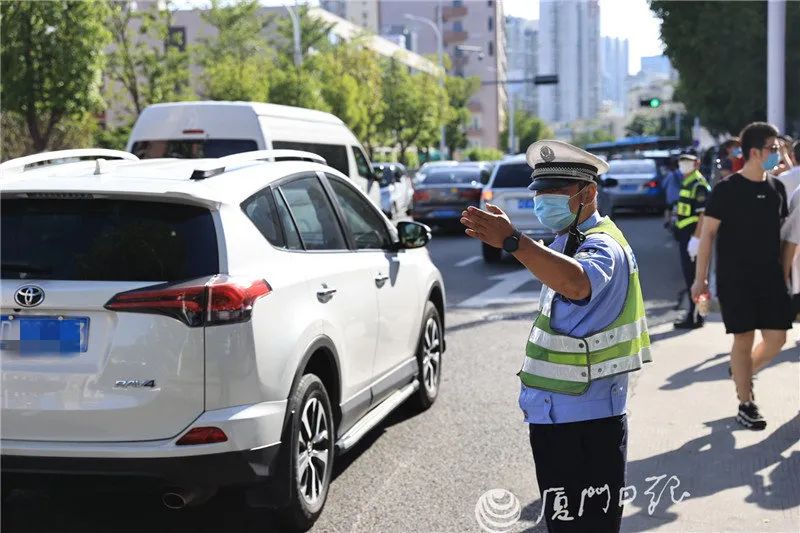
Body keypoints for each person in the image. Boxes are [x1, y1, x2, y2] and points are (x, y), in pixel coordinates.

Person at [461, 140, 651, 532]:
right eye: (540, 193)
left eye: (556, 193)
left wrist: (513, 241)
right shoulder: (568, 239)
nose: (544, 201)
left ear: (589, 194)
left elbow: (577, 284)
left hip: (587, 425)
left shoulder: (603, 245)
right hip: (560, 418)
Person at [692, 122, 791, 431]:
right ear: (754, 152)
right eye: (773, 149)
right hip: (736, 280)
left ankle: (742, 372)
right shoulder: (727, 189)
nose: (777, 154)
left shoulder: (777, 189)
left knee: (777, 339)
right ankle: (746, 403)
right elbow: (707, 234)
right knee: (743, 339)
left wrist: (787, 275)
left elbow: (786, 238)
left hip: (772, 278)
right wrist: (701, 279)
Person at [673, 154, 711, 329]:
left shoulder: (698, 184)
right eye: (682, 162)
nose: (684, 165)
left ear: (697, 164)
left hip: (693, 236)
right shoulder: (687, 182)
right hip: (686, 235)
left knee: (696, 278)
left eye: (687, 162)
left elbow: (703, 214)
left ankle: (697, 316)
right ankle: (698, 314)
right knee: (692, 278)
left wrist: (696, 239)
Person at [662, 158, 682, 229]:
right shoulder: (681, 173)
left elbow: (664, 184)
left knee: (668, 209)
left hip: (670, 196)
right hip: (679, 196)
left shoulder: (669, 174)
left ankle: (667, 220)